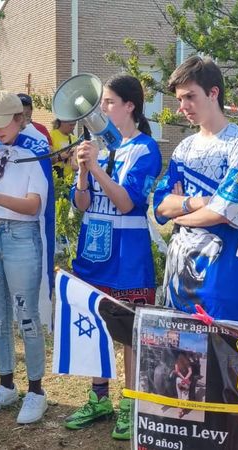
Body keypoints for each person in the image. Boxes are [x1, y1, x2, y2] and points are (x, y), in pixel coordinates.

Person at [64, 74, 161, 440]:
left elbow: (126, 203)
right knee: (97, 328)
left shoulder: (146, 148)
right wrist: (83, 173)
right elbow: (82, 204)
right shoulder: (94, 145)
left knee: (128, 333)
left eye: (107, 102)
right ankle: (99, 397)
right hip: (94, 250)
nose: (100, 109)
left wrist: (99, 168)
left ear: (129, 106)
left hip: (128, 256)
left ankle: (130, 405)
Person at [153, 55, 238, 321]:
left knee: (222, 360)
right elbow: (160, 206)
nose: (183, 107)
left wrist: (180, 211)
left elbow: (225, 212)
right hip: (178, 278)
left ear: (213, 93)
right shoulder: (184, 149)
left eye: (190, 96)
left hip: (222, 280)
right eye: (179, 100)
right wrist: (199, 202)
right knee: (179, 360)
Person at [0, 90, 54, 424]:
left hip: (21, 236)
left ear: (19, 119)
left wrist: (1, 199)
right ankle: (6, 383)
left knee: (26, 315)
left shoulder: (35, 151)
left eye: (2, 124)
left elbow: (35, 205)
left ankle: (36, 390)